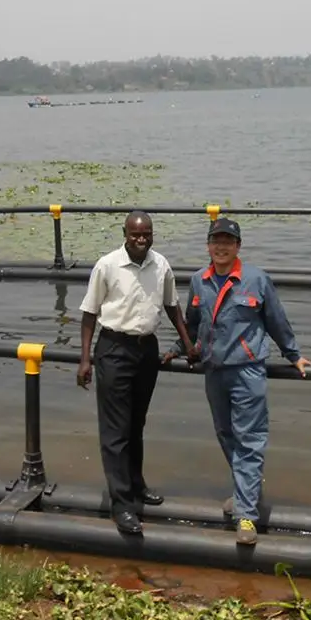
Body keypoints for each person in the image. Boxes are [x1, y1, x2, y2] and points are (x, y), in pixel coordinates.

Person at [163, 217, 311, 545]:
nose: (221, 246)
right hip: (213, 371)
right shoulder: (199, 281)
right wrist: (177, 348)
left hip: (247, 372)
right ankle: (247, 493)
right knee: (226, 435)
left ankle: (245, 516)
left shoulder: (256, 280)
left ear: (238, 246)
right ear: (208, 245)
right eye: (216, 240)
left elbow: (276, 320)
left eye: (228, 241)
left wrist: (293, 354)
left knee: (250, 439)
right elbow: (193, 323)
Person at [77, 210, 196, 535]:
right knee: (115, 431)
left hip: (146, 350)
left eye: (146, 234)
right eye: (135, 234)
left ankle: (137, 484)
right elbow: (89, 314)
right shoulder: (108, 265)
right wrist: (85, 359)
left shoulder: (161, 265)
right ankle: (122, 506)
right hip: (114, 348)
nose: (141, 240)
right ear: (125, 234)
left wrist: (188, 344)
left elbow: (173, 306)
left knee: (136, 424)